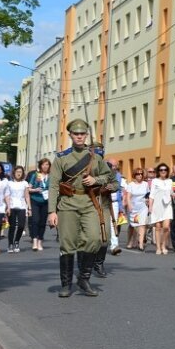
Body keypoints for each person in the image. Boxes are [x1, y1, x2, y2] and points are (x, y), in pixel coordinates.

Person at [47, 119, 114, 297]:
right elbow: (53, 185)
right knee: (67, 243)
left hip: (89, 203)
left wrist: (95, 180)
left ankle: (84, 279)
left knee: (95, 238)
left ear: (86, 136)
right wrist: (52, 211)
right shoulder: (61, 158)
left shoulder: (95, 156)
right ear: (70, 135)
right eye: (76, 134)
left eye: (82, 134)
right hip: (68, 204)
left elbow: (108, 176)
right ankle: (66, 284)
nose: (79, 136)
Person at [5, 166, 31, 253]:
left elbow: (27, 196)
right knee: (12, 227)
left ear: (23, 173)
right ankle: (10, 244)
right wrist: (8, 207)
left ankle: (16, 241)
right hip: (12, 206)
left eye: (20, 172)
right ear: (14, 173)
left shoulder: (25, 183)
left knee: (21, 226)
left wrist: (29, 208)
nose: (19, 173)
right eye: (17, 171)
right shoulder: (9, 183)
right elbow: (7, 196)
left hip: (22, 206)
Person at [148, 163, 173, 255]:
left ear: (167, 171)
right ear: (158, 171)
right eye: (161, 170)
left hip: (167, 206)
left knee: (166, 227)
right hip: (157, 206)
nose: (163, 171)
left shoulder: (170, 181)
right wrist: (150, 207)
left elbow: (171, 192)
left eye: (165, 170)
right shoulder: (155, 181)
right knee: (158, 227)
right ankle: (158, 247)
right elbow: (152, 195)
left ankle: (164, 245)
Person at [27, 158, 51, 251]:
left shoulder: (51, 176)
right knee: (35, 221)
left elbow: (54, 188)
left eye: (47, 165)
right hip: (35, 200)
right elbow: (29, 188)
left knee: (42, 222)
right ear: (40, 166)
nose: (45, 166)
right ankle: (35, 241)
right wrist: (35, 190)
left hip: (46, 201)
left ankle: (40, 240)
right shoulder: (36, 175)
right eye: (43, 164)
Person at [104, 158, 125, 256]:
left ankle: (114, 246)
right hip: (103, 201)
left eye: (116, 166)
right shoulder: (102, 174)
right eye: (112, 165)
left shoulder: (118, 175)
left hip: (115, 202)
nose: (114, 167)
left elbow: (120, 192)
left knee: (114, 223)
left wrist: (121, 208)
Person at [125, 168, 149, 251]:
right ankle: (130, 241)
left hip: (143, 207)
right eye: (138, 174)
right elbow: (128, 197)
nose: (140, 175)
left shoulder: (145, 184)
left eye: (141, 174)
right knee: (132, 225)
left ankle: (141, 243)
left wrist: (147, 200)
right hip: (133, 207)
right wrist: (129, 205)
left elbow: (147, 195)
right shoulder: (131, 185)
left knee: (142, 224)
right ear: (134, 175)